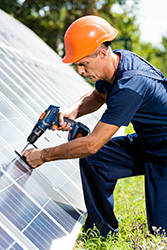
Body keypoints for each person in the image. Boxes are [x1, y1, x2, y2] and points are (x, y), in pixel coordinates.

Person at [23, 15, 167, 237]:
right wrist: (70, 111)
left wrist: (42, 155)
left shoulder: (131, 85)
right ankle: (103, 233)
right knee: (96, 161)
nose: (80, 71)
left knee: (161, 232)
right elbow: (97, 97)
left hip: (164, 153)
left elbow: (91, 144)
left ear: (102, 53)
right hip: (148, 143)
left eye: (83, 64)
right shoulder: (116, 64)